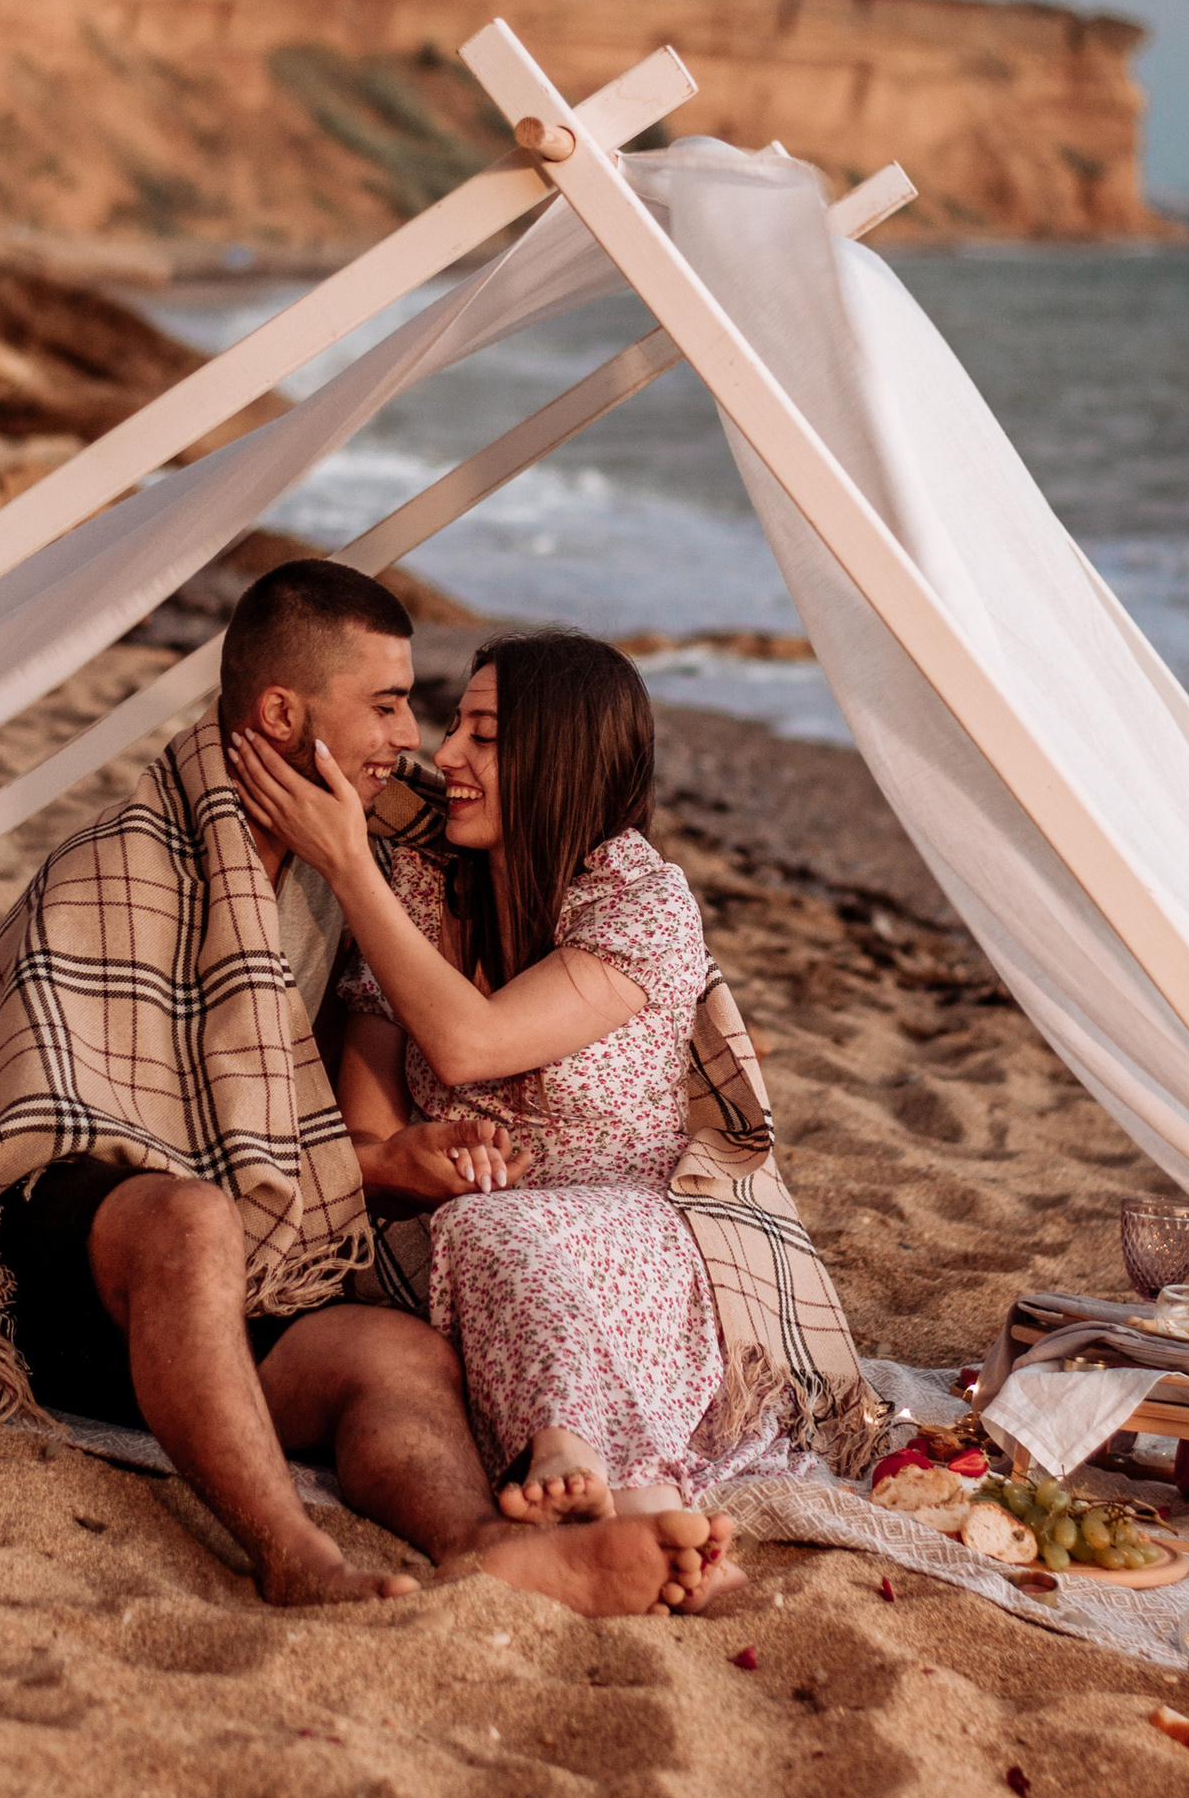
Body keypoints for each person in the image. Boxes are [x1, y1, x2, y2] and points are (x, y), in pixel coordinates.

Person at [0, 561, 727, 1616]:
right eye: (386, 704)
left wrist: (381, 1162)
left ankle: (480, 1546)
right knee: (192, 1218)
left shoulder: (350, 880)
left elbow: (314, 1113)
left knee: (397, 1350)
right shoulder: (124, 864)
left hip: (237, 1280)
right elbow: (54, 1114)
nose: (412, 739)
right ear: (282, 712)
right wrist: (359, 1159)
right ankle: (290, 1550)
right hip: (59, 1268)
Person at [232, 632, 855, 1603]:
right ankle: (635, 1509)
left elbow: (471, 1044)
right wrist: (409, 1158)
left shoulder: (640, 901)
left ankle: (588, 1464)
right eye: (453, 726)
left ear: (559, 754)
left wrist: (350, 866)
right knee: (481, 1225)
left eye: (483, 734)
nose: (444, 756)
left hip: (636, 1238)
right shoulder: (417, 887)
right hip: (444, 1254)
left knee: (499, 1229)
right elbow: (361, 1142)